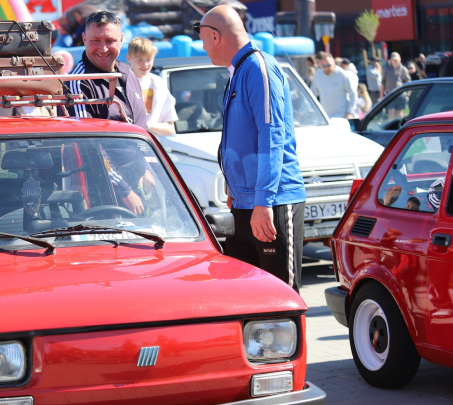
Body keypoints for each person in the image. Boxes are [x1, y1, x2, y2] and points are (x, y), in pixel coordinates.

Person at [198, 5, 306, 291]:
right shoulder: (239, 70)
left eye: (203, 39)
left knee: (281, 297)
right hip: (247, 203)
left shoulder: (258, 66)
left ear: (215, 37)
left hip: (271, 203)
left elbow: (272, 136)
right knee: (249, 298)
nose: (203, 47)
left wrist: (263, 201)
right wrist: (235, 190)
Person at [66, 10, 148, 215]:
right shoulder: (78, 83)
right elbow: (89, 147)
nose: (103, 48)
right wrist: (124, 191)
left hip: (140, 186)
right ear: (84, 39)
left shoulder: (127, 73)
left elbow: (140, 130)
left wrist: (147, 168)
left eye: (110, 40)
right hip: (105, 197)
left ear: (121, 39)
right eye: (95, 40)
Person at [126, 37, 177, 136]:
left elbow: (170, 129)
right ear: (128, 58)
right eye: (139, 59)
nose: (145, 64)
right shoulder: (121, 83)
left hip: (151, 146)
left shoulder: (158, 83)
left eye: (149, 60)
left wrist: (147, 125)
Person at [310, 51, 357, 119]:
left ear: (333, 62)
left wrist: (349, 112)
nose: (326, 68)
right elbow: (312, 95)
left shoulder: (342, 74)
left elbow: (353, 94)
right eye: (323, 66)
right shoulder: (317, 76)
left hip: (342, 116)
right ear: (319, 64)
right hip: (325, 117)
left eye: (329, 65)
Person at [383, 52, 411, 120]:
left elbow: (409, 82)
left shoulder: (403, 69)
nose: (395, 61)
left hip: (400, 94)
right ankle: (391, 128)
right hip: (390, 94)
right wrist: (382, 96)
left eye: (396, 60)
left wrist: (408, 95)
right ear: (391, 60)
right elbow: (383, 82)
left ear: (400, 59)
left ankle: (399, 127)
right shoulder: (387, 69)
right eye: (394, 60)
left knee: (399, 112)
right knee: (391, 111)